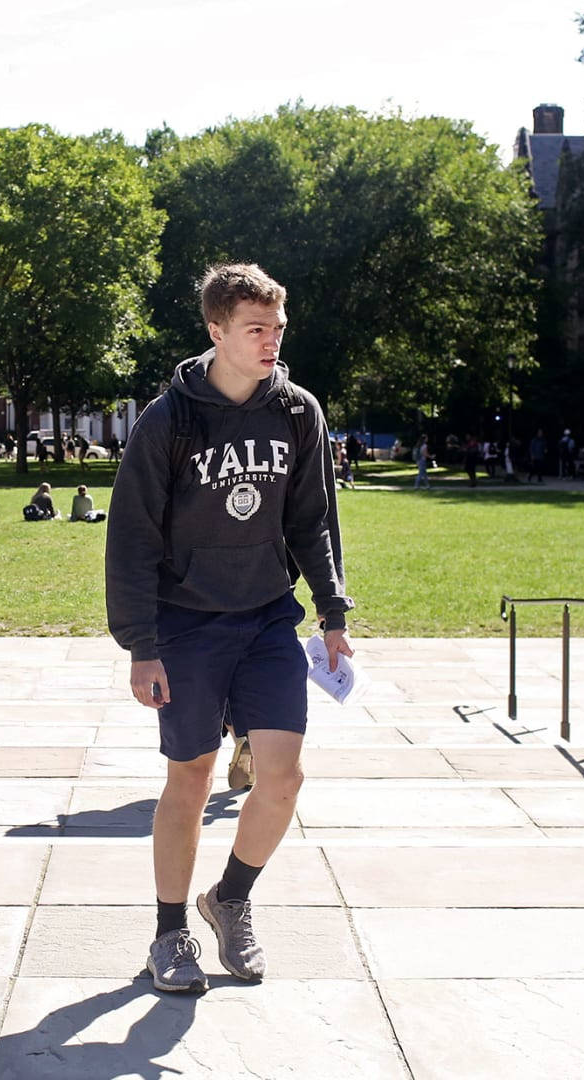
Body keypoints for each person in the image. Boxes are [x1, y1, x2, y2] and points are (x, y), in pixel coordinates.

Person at [104, 262, 353, 995]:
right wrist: (140, 646)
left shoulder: (297, 412)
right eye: (256, 329)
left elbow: (314, 519)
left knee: (281, 779)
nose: (272, 341)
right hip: (187, 626)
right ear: (216, 331)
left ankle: (231, 898)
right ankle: (169, 931)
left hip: (267, 618)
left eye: (277, 328)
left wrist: (333, 611)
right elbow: (132, 539)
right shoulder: (169, 420)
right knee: (192, 779)